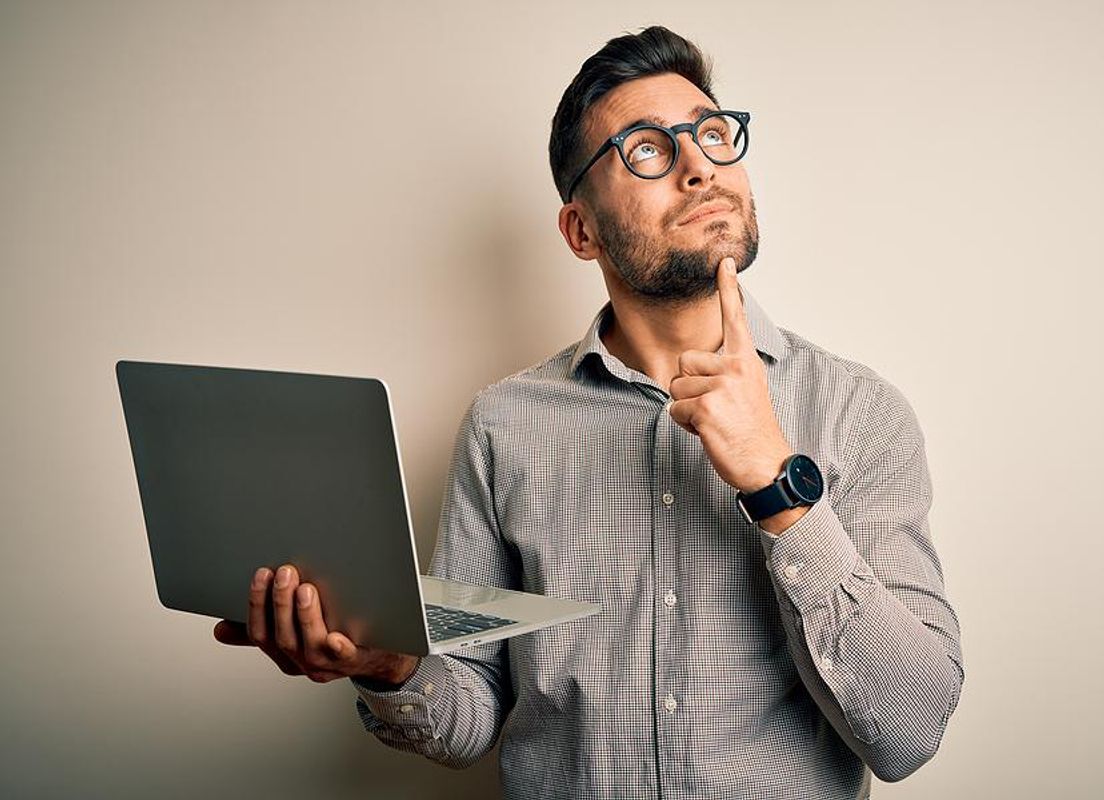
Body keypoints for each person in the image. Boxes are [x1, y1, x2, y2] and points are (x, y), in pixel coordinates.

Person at [214, 25, 965, 800]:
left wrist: (779, 487)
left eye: (712, 134)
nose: (699, 166)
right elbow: (471, 708)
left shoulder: (859, 412)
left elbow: (910, 733)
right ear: (581, 230)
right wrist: (386, 665)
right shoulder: (504, 428)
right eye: (648, 148)